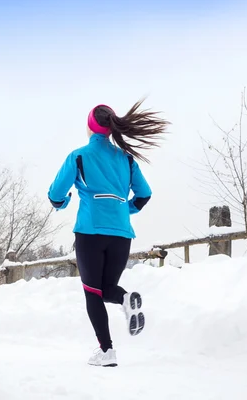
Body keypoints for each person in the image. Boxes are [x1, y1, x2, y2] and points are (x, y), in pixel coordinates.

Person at [47, 100, 169, 367]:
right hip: (122, 234)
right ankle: (126, 298)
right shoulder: (126, 159)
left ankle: (106, 351)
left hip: (91, 232)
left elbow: (55, 194)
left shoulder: (78, 156)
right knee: (106, 289)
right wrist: (125, 211)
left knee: (92, 291)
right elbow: (144, 194)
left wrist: (63, 202)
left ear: (90, 128)